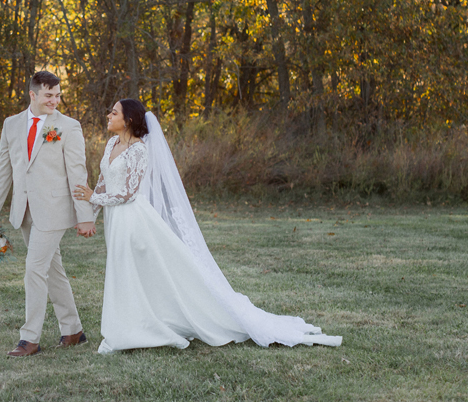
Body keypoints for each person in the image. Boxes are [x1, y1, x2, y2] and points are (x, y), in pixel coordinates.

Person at [73, 99, 342, 354]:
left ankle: (131, 330)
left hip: (134, 219)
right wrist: (90, 216)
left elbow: (129, 193)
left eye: (114, 112)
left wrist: (92, 198)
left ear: (129, 119)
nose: (108, 115)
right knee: (124, 271)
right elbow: (103, 183)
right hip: (115, 220)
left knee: (132, 271)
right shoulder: (110, 144)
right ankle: (133, 324)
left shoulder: (139, 149)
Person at [0, 71, 97, 357]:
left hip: (54, 208)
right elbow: (4, 171)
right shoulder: (11, 125)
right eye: (49, 95)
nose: (55, 101)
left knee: (34, 269)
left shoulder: (69, 127)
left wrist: (85, 214)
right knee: (53, 270)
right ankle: (73, 331)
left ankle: (29, 339)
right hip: (24, 210)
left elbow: (77, 171)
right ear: (33, 95)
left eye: (58, 95)